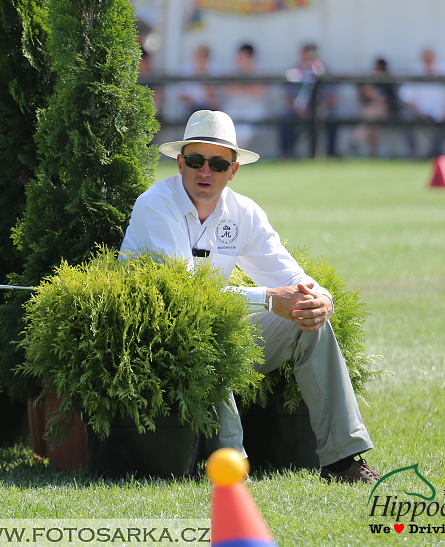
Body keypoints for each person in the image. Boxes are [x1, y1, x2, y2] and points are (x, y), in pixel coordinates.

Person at [118, 109, 379, 484]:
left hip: (210, 325)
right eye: (195, 160)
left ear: (234, 170)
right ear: (179, 163)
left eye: (218, 163)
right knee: (210, 328)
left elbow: (290, 276)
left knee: (309, 320)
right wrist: (271, 298)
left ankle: (342, 461)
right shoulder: (155, 205)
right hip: (154, 341)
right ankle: (232, 465)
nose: (205, 171)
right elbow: (187, 297)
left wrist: (321, 300)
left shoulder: (244, 212)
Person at [279, 43, 338, 159]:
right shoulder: (294, 72)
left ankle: (331, 155)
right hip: (297, 111)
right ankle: (286, 155)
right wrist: (299, 110)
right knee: (285, 117)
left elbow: (332, 97)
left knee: (334, 118)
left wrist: (322, 109)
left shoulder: (325, 72)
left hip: (321, 109)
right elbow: (288, 97)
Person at [398, 48, 445, 158]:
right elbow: (405, 97)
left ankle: (433, 152)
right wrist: (418, 112)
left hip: (438, 109)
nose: (428, 62)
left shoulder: (444, 68)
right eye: (426, 59)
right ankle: (413, 152)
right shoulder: (414, 70)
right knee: (405, 117)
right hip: (418, 110)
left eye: (431, 59)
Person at [221, 43, 267, 152]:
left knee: (244, 130)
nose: (240, 60)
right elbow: (228, 91)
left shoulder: (258, 73)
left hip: (252, 111)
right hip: (233, 110)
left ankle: (235, 155)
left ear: (250, 58)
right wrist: (246, 87)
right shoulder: (232, 74)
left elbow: (258, 93)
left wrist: (240, 86)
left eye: (243, 57)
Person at [350, 58, 398, 158]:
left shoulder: (388, 82)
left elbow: (389, 102)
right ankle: (373, 154)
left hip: (386, 112)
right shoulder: (370, 81)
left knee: (369, 114)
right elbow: (361, 99)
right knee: (371, 125)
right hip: (371, 112)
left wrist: (375, 97)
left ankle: (356, 139)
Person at [179, 45, 220, 116]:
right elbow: (182, 95)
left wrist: (203, 74)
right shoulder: (186, 69)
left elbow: (213, 97)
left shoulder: (214, 69)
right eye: (198, 55)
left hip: (208, 108)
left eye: (202, 56)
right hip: (191, 108)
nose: (199, 58)